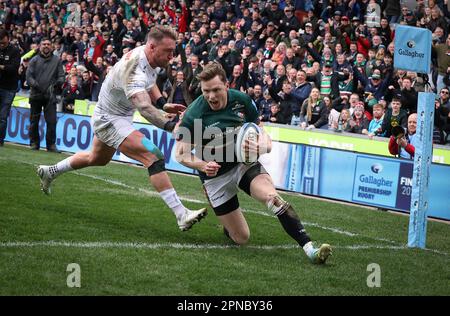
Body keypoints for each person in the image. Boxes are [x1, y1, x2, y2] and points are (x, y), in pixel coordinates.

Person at [36, 26, 207, 231]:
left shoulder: (149, 55)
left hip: (118, 114)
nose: (173, 56)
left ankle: (50, 171)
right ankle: (182, 214)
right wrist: (171, 126)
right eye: (168, 51)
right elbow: (144, 108)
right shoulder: (134, 67)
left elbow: (150, 81)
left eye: (173, 50)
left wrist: (162, 103)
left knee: (97, 158)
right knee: (153, 155)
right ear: (152, 47)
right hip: (109, 118)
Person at [175, 62, 332, 264]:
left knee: (272, 197)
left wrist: (260, 147)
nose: (211, 96)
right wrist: (201, 165)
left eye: (216, 90)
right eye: (206, 91)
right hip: (215, 177)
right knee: (241, 238)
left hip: (242, 164)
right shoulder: (195, 113)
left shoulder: (242, 101)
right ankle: (229, 227)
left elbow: (264, 136)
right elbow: (181, 154)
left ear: (226, 85)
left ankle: (311, 249)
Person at [26, 37, 65, 152]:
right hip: (35, 95)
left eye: (48, 44)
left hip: (50, 96)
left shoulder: (57, 60)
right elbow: (28, 77)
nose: (46, 46)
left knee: (52, 121)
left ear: (51, 46)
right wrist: (36, 85)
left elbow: (61, 76)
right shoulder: (34, 60)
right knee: (34, 121)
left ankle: (51, 145)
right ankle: (34, 143)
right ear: (40, 46)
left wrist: (57, 84)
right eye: (44, 44)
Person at [0, 29, 21, 147]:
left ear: (8, 38)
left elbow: (13, 68)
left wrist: (2, 67)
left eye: (3, 42)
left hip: (9, 87)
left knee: (2, 116)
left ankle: (0, 140)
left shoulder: (15, 51)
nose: (1, 45)